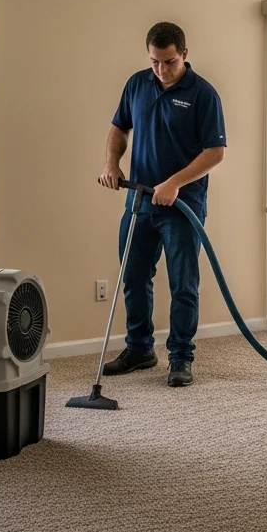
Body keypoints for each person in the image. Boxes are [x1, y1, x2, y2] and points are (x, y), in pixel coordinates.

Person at [97, 22, 227, 388]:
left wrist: (174, 183)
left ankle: (181, 357)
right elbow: (119, 128)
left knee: (183, 283)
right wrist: (111, 163)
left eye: (168, 61)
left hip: (183, 206)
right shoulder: (137, 84)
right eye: (155, 61)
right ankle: (139, 349)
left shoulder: (203, 94)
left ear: (184, 54)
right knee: (134, 277)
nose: (161, 70)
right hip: (139, 201)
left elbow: (215, 152)